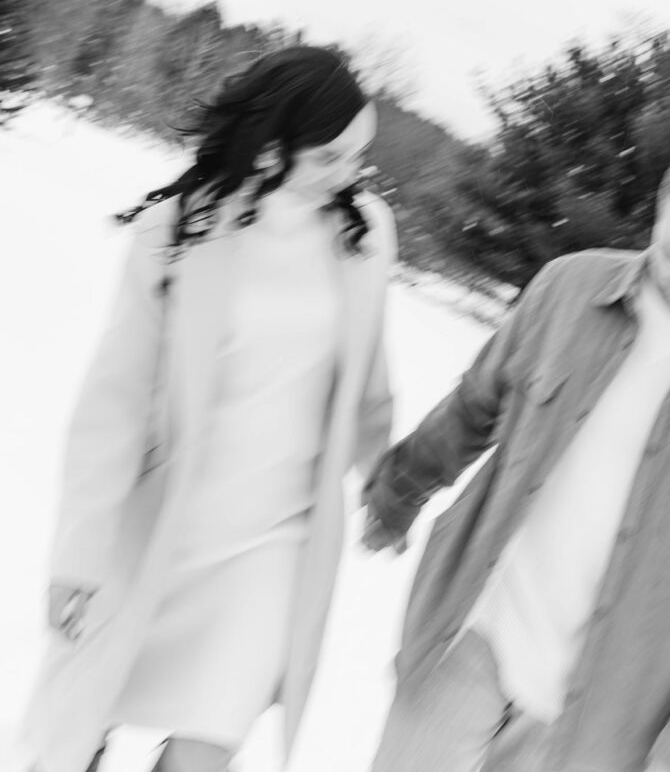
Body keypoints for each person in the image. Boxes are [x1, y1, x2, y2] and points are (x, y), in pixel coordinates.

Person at [21, 45, 396, 772]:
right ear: (270, 149)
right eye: (329, 157)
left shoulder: (365, 233)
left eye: (360, 155)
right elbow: (115, 402)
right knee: (76, 737)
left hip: (274, 540)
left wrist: (389, 483)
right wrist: (79, 554)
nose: (350, 174)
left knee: (211, 737)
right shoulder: (175, 230)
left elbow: (368, 378)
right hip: (159, 527)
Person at [363, 156, 670, 772]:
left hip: (603, 719)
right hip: (471, 637)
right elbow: (475, 405)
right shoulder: (569, 288)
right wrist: (400, 490)